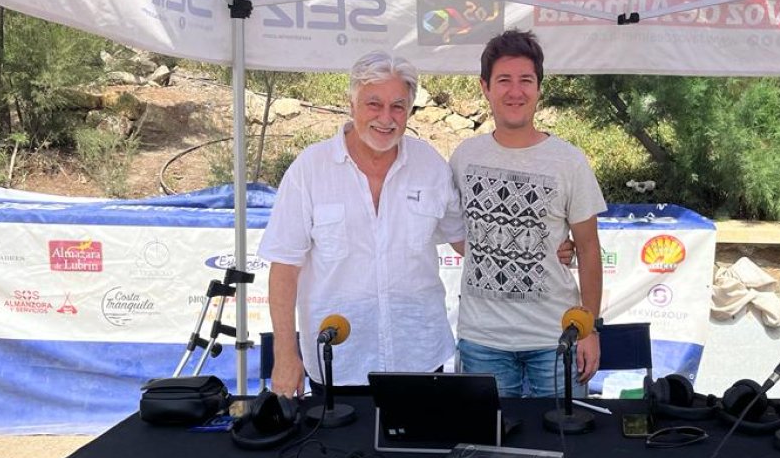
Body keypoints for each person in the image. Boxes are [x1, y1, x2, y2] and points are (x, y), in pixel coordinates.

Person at [257, 51, 465, 398]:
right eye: (374, 104)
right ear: (351, 103)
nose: (386, 118)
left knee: (417, 453)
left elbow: (466, 240)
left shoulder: (430, 165)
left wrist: (546, 249)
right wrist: (284, 352)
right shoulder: (310, 170)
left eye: (398, 106)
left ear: (410, 110)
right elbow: (284, 269)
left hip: (419, 357)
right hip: (339, 363)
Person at [449, 29, 607, 398]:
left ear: (539, 88)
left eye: (526, 80)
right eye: (504, 80)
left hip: (555, 340)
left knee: (561, 446)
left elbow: (588, 249)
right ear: (485, 87)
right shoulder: (464, 157)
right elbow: (455, 232)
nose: (515, 91)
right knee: (486, 451)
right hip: (481, 340)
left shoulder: (569, 161)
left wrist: (590, 329)